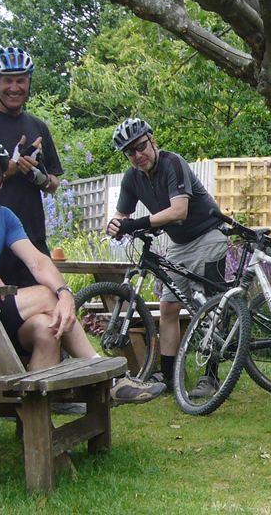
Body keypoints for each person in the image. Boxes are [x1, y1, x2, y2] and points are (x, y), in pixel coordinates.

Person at [0, 136, 165, 405]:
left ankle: (37, 419)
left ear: (2, 180)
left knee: (47, 329)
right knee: (47, 298)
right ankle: (109, 379)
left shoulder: (3, 216)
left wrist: (66, 293)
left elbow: (38, 261)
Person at [107, 118, 228, 397]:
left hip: (209, 234)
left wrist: (135, 224)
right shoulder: (131, 177)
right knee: (168, 310)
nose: (138, 156)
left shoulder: (173, 163)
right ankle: (172, 376)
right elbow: (121, 214)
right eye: (130, 152)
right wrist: (115, 224)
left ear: (152, 140)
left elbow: (178, 211)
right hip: (179, 242)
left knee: (209, 306)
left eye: (140, 147)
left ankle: (211, 378)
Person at [0, 47, 63, 289]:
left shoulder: (38, 126)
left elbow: (54, 182)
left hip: (32, 235)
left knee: (44, 305)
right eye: (7, 81)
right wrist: (13, 167)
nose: (14, 88)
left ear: (29, 83)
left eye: (21, 81)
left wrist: (40, 177)